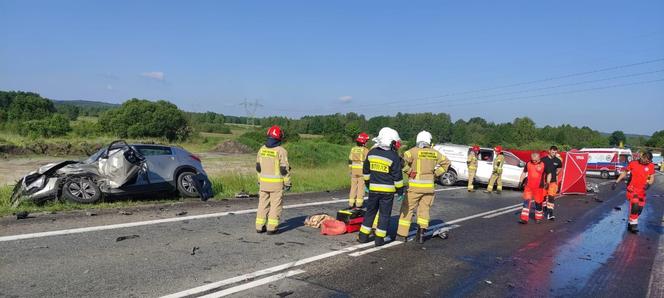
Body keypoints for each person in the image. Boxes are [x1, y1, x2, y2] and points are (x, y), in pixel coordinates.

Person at [397, 131, 450, 244]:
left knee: (407, 209)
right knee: (424, 210)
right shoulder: (435, 153)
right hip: (429, 188)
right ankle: (421, 234)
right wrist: (435, 174)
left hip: (414, 187)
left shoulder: (412, 152)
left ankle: (402, 235)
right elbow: (447, 163)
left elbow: (400, 161)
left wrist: (409, 171)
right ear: (429, 140)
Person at [358, 127, 404, 247]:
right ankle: (379, 240)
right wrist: (400, 192)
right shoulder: (393, 156)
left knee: (370, 212)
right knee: (384, 215)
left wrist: (368, 185)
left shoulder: (371, 153)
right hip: (387, 192)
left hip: (373, 190)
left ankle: (363, 237)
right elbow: (398, 177)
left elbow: (366, 171)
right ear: (390, 141)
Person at [255, 125, 291, 235]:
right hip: (276, 184)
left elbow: (258, 167)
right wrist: (288, 182)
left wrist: (259, 180)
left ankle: (259, 226)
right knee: (275, 205)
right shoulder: (281, 151)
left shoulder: (262, 149)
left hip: (263, 183)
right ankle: (272, 228)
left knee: (262, 204)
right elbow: (284, 169)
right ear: (280, 137)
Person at [613, 151, 655, 233]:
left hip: (642, 191)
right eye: (645, 160)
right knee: (635, 205)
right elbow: (624, 173)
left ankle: (630, 222)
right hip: (632, 189)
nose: (646, 162)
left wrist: (649, 184)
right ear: (642, 157)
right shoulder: (633, 163)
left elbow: (652, 178)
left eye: (648, 161)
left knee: (639, 210)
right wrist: (616, 182)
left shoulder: (651, 166)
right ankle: (633, 226)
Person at [519, 152, 547, 224]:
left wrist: (547, 183)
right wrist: (520, 181)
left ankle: (538, 217)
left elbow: (549, 174)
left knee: (538, 203)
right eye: (532, 160)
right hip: (528, 186)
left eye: (535, 160)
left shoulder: (543, 164)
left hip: (539, 187)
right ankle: (524, 219)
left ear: (539, 158)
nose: (534, 161)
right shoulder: (528, 163)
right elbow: (524, 172)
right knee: (526, 202)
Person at [347, 132, 370, 209]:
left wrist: (351, 169)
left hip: (353, 171)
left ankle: (351, 203)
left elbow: (350, 160)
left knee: (353, 187)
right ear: (364, 142)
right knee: (361, 188)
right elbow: (368, 161)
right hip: (361, 172)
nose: (367, 143)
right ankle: (359, 205)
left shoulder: (353, 149)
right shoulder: (366, 150)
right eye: (366, 141)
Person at [541, 146, 563, 220]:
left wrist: (556, 173)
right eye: (553, 152)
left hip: (553, 182)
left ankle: (550, 214)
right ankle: (544, 209)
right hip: (544, 182)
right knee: (543, 197)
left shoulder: (557, 160)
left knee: (551, 197)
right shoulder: (543, 160)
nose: (554, 154)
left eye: (555, 152)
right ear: (549, 151)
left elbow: (560, 167)